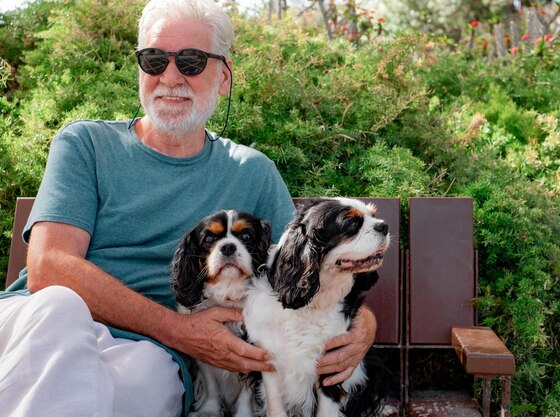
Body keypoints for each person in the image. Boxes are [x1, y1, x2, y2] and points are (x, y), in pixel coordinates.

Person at [0, 1, 377, 416]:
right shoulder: (85, 145)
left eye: (192, 61)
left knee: (147, 384)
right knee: (60, 306)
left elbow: (303, 271)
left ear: (225, 77)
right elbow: (50, 269)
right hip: (45, 324)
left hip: (151, 353)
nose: (170, 76)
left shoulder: (252, 172)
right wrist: (179, 330)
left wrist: (365, 326)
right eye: (154, 59)